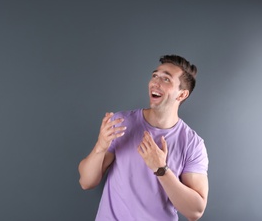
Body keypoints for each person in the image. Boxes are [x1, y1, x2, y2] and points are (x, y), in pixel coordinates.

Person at [78, 54, 209, 221]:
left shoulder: (192, 144)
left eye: (166, 79)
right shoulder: (121, 123)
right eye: (155, 76)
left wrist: (161, 169)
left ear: (182, 95)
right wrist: (100, 146)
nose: (155, 82)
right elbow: (86, 182)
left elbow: (195, 211)